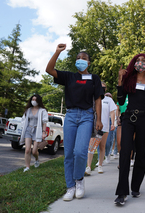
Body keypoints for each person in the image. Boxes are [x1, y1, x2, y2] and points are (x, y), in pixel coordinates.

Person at [46, 43, 104, 201]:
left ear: (89, 63)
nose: (80, 60)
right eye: (78, 58)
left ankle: (79, 180)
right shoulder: (69, 77)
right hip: (70, 116)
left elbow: (98, 99)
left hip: (86, 116)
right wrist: (57, 52)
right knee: (68, 154)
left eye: (84, 58)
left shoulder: (94, 78)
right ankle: (70, 187)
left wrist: (99, 119)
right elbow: (49, 70)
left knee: (80, 151)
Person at [115, 53, 145, 206]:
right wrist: (120, 83)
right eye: (138, 60)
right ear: (134, 63)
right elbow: (121, 100)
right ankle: (122, 192)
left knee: (141, 154)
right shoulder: (129, 79)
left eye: (143, 61)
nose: (140, 62)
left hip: (144, 119)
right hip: (128, 117)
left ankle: (135, 187)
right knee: (125, 151)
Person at [90, 87, 116, 173]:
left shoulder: (108, 100)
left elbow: (112, 112)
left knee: (102, 146)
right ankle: (88, 167)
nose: (102, 88)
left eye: (103, 87)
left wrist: (112, 123)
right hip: (93, 126)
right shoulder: (93, 97)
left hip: (104, 126)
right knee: (92, 146)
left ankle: (100, 165)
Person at [20, 94, 48, 172]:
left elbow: (44, 122)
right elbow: (23, 120)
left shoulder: (42, 110)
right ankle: (27, 167)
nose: (34, 101)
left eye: (35, 100)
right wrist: (22, 130)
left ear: (38, 101)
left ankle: (36, 159)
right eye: (32, 99)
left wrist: (43, 132)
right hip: (28, 130)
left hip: (37, 131)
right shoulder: (28, 110)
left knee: (34, 151)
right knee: (27, 150)